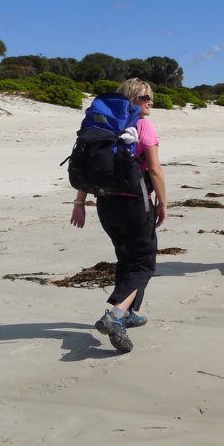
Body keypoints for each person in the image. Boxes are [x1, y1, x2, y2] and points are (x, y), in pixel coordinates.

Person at [70, 78, 167, 353]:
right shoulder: (143, 125)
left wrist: (79, 201)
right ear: (132, 99)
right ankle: (115, 315)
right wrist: (163, 203)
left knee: (126, 258)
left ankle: (129, 312)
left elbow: (90, 164)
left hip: (105, 204)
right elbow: (156, 170)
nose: (150, 102)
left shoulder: (103, 125)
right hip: (135, 204)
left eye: (151, 98)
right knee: (144, 264)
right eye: (145, 97)